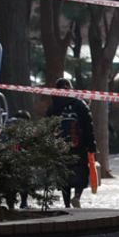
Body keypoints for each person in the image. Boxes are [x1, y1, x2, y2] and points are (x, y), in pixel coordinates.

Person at [48, 77, 96, 208]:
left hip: (60, 146)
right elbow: (88, 125)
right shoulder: (79, 104)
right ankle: (77, 196)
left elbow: (48, 128)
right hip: (78, 144)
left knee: (64, 174)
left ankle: (67, 204)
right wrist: (91, 145)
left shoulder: (53, 107)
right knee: (81, 170)